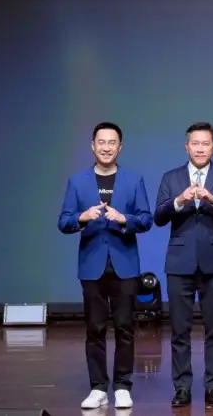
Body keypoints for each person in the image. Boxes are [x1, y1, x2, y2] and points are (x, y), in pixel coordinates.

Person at [57, 122, 153, 410]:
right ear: (93, 145)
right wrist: (82, 217)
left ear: (120, 147)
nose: (107, 147)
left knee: (125, 328)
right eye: (102, 142)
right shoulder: (77, 181)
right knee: (94, 329)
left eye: (112, 143)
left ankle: (122, 385)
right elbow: (64, 222)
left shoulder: (133, 180)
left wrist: (124, 220)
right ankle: (98, 387)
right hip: (92, 265)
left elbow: (146, 219)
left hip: (125, 264)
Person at [154, 122, 213, 409]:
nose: (200, 148)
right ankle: (182, 387)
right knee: (179, 330)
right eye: (195, 143)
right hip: (179, 263)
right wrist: (179, 200)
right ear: (187, 147)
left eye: (206, 144)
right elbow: (158, 217)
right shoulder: (171, 178)